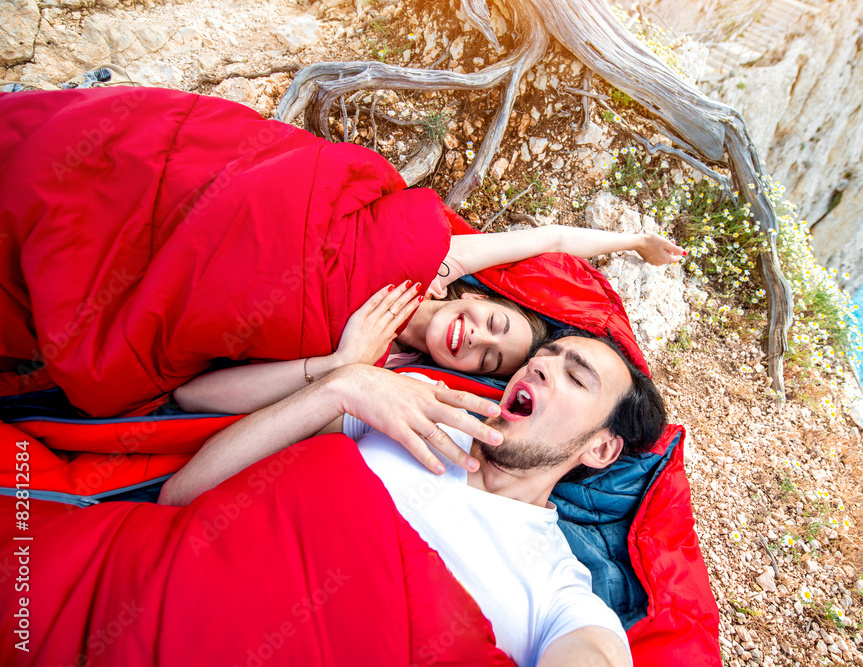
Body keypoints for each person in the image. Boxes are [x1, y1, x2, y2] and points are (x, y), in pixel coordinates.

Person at [158, 332, 667, 666]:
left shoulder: (559, 592)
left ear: (600, 448)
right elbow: (184, 486)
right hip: (169, 597)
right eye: (543, 357)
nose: (538, 368)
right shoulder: (411, 409)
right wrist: (341, 384)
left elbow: (592, 651)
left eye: (575, 377)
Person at [173, 224, 684, 415]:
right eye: (495, 325)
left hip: (195, 305)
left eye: (488, 360)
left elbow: (194, 396)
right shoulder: (438, 264)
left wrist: (340, 362)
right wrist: (636, 242)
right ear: (479, 298)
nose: (478, 338)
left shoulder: (381, 368)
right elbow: (553, 240)